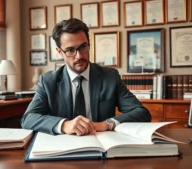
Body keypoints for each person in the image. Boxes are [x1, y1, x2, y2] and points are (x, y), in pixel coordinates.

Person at [21, 18, 151, 136]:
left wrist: (105, 124)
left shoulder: (110, 77)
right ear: (60, 52)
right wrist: (64, 125)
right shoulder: (48, 81)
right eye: (70, 50)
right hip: (62, 149)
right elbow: (28, 119)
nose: (79, 56)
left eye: (83, 47)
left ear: (89, 44)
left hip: (102, 146)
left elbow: (141, 113)